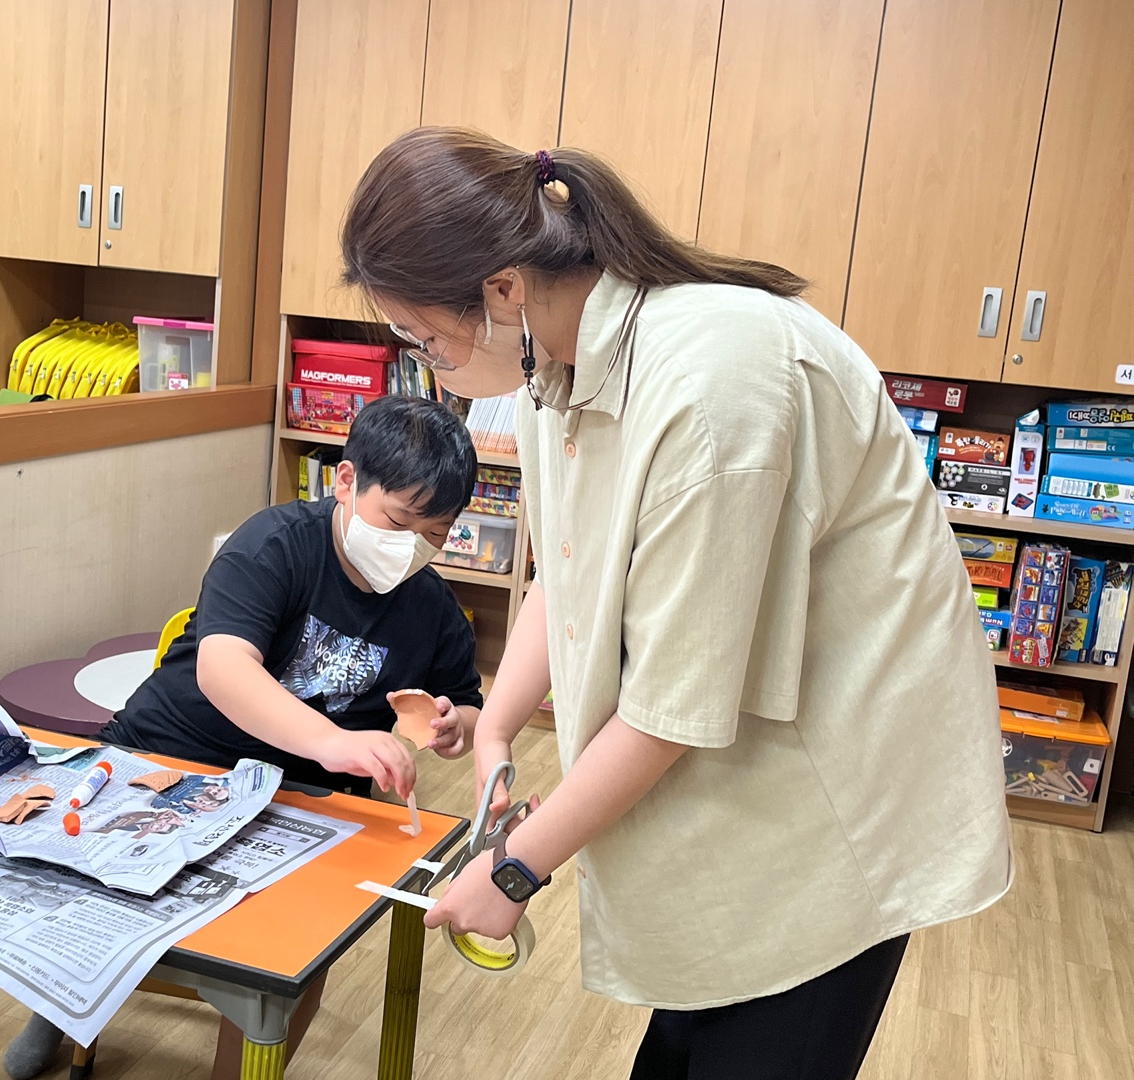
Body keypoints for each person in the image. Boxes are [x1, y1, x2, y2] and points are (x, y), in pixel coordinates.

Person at [339, 127, 1012, 1080]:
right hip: (740, 769)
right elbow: (571, 566)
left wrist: (517, 867)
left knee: (776, 1009)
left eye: (423, 339)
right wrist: (497, 734)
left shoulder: (711, 384)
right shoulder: (547, 371)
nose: (424, 365)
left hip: (839, 791)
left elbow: (672, 709)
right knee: (694, 1021)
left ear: (501, 289)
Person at [4, 393, 484, 1080]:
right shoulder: (275, 544)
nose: (414, 548)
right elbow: (225, 670)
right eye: (401, 521)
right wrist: (334, 741)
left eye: (436, 534)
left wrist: (450, 725)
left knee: (293, 955)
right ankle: (56, 1007)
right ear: (345, 482)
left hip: (308, 795)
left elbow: (469, 710)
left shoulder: (433, 610)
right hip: (174, 752)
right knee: (94, 891)